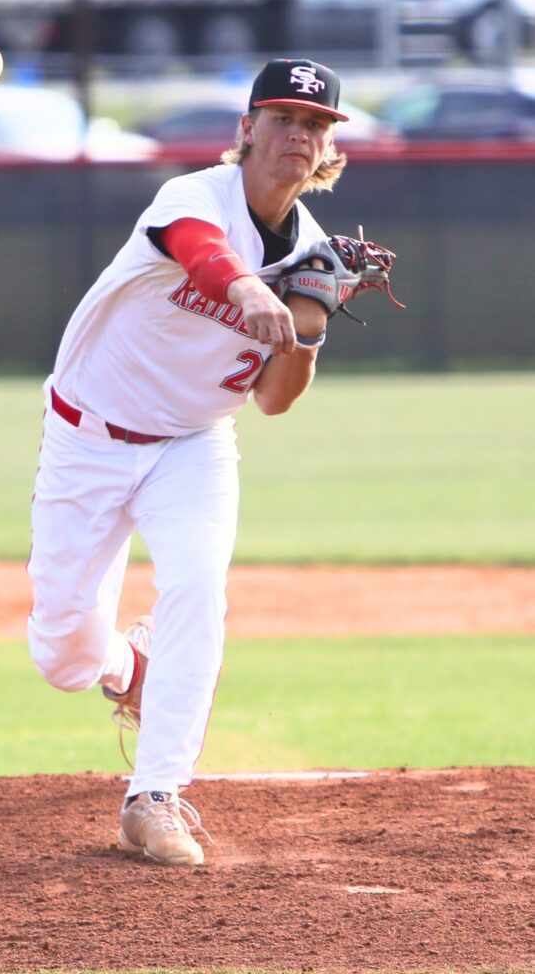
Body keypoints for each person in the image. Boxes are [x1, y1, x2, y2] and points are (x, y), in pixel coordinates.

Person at [27, 58, 349, 866]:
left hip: (194, 444)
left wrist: (308, 326)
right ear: (245, 130)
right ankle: (125, 665)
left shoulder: (310, 251)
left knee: (199, 588)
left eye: (313, 125)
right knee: (62, 654)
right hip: (87, 436)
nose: (296, 135)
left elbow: (273, 399)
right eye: (281, 118)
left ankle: (155, 797)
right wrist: (246, 289)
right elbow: (200, 249)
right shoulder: (194, 196)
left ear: (326, 150)